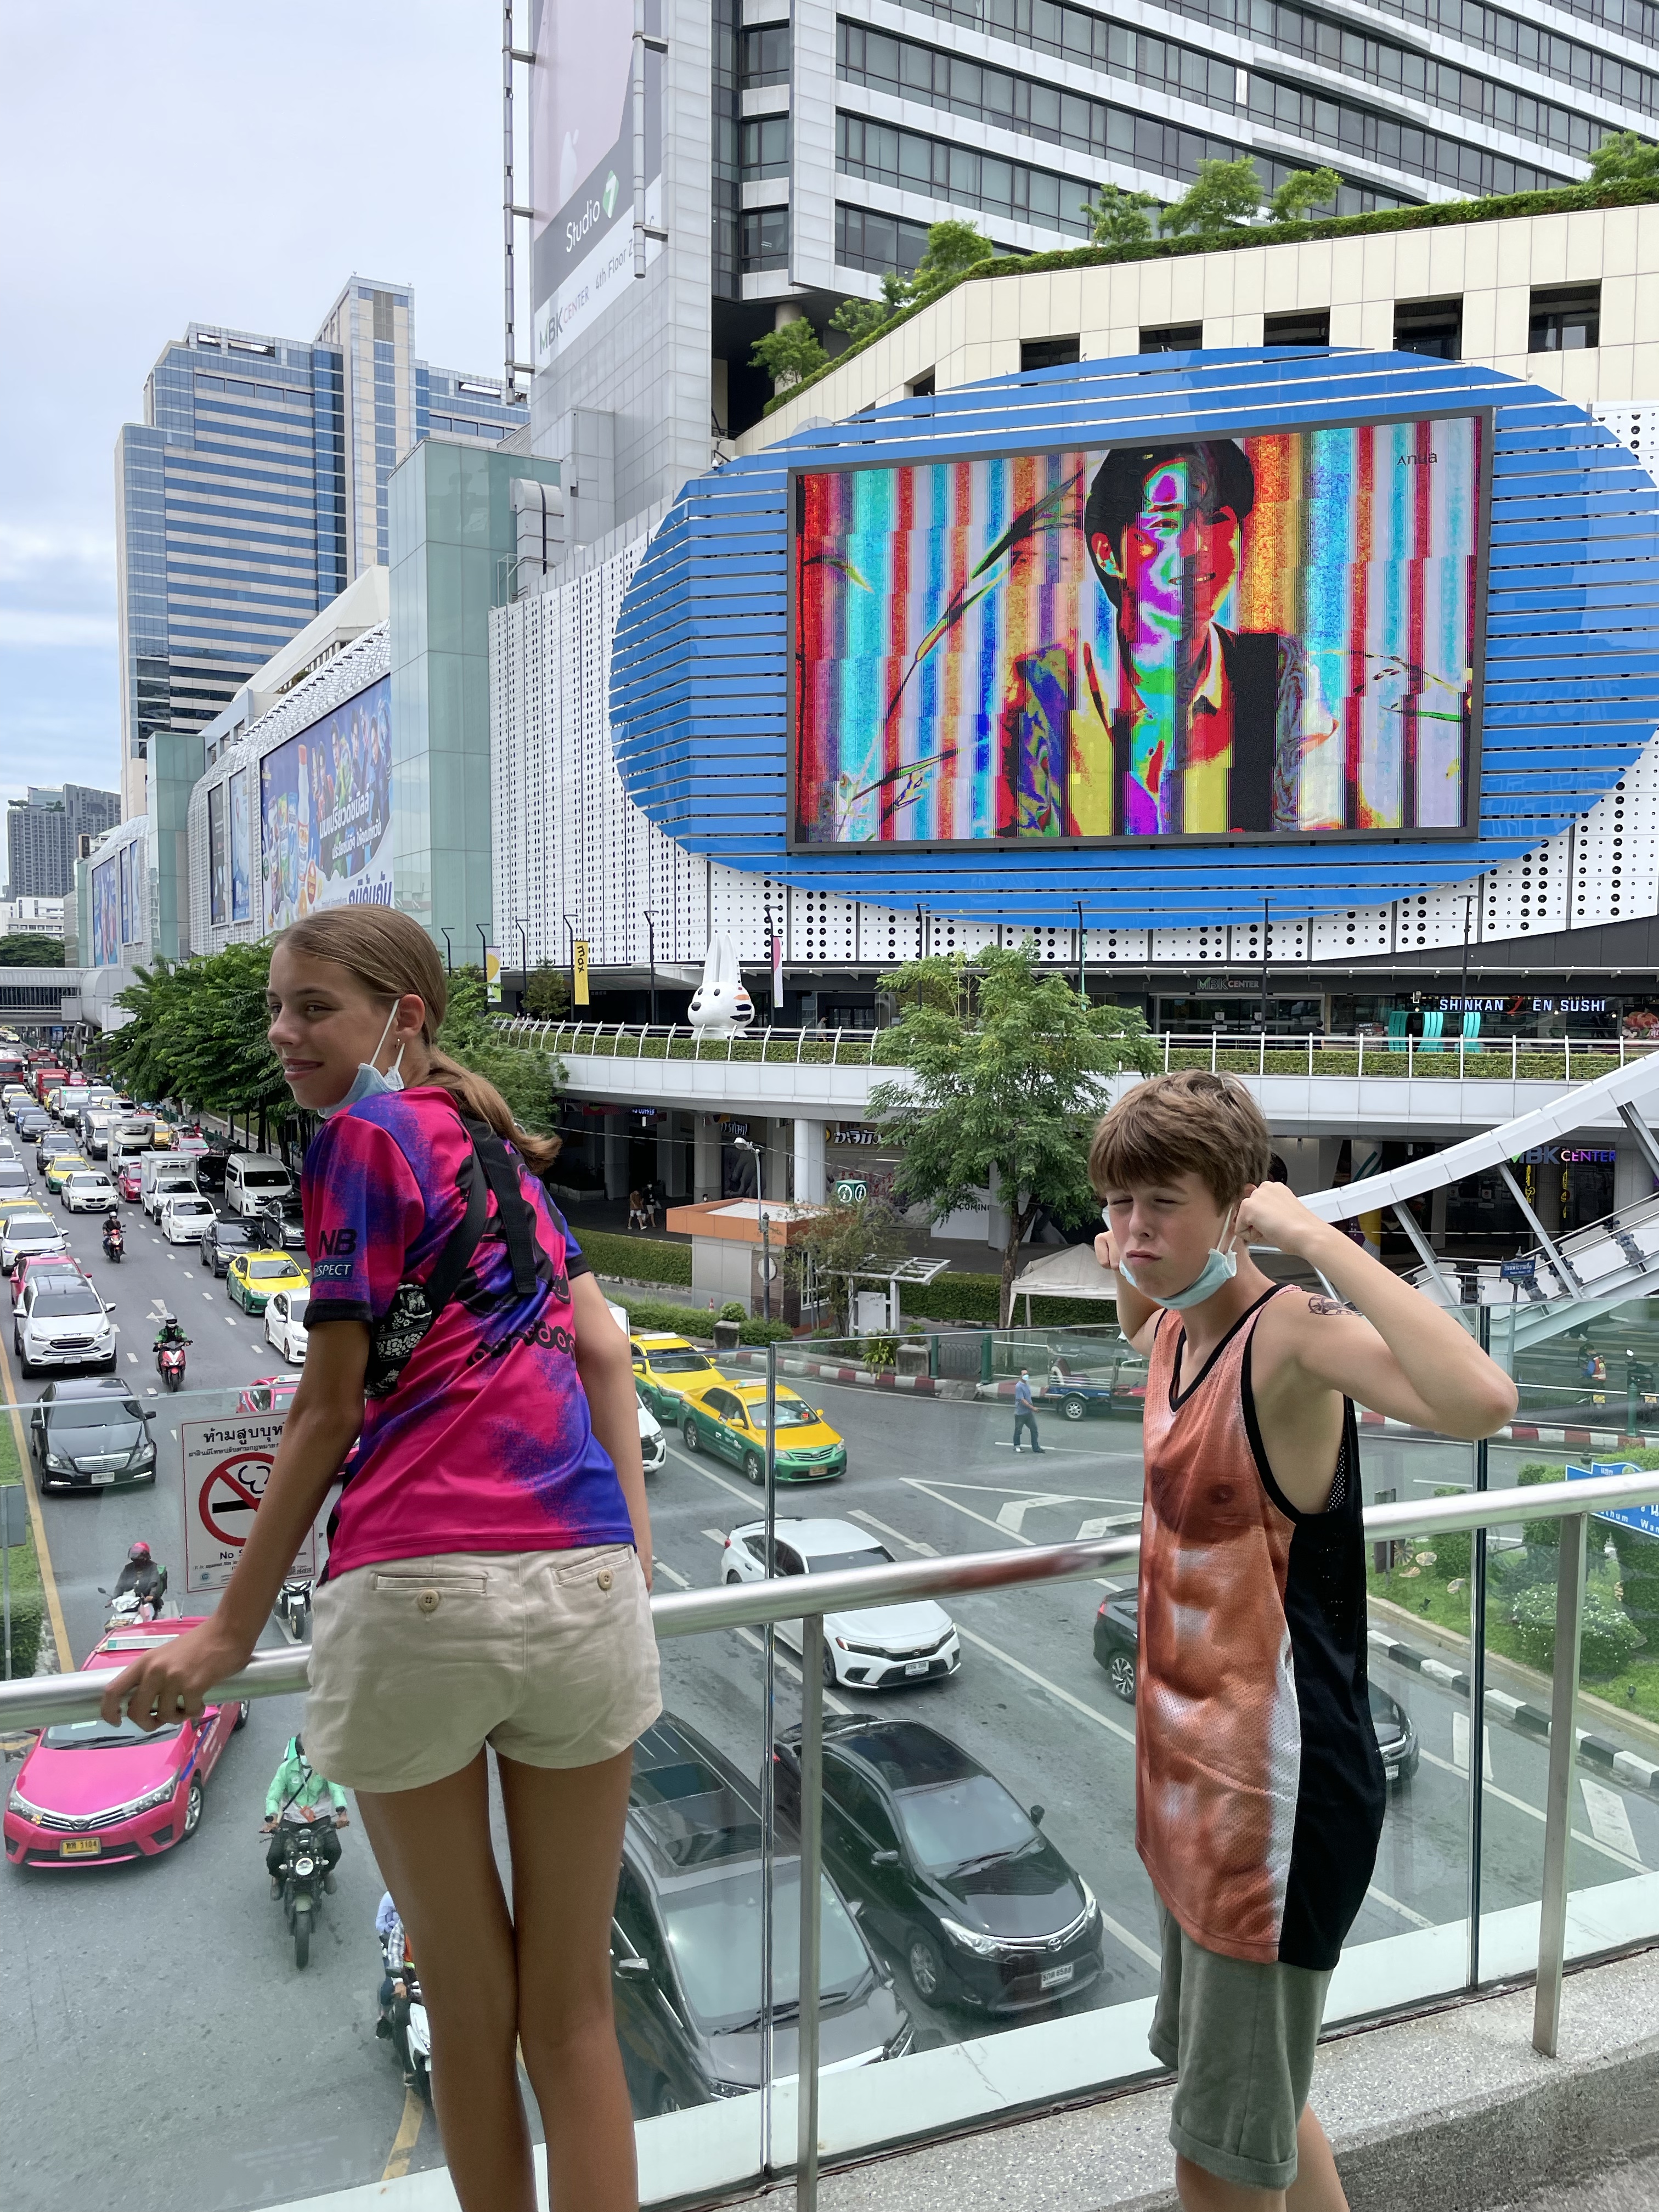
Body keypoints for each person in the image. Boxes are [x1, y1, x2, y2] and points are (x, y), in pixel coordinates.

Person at [102, 905, 658, 2212]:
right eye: (276, 1008)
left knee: (466, 2007)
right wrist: (629, 1556)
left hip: (416, 1593)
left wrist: (229, 1633)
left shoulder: (361, 1138)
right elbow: (605, 1349)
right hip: (585, 1587)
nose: (283, 1033)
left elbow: (328, 1407)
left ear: (402, 1017)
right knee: (575, 2010)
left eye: (315, 1007)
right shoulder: (501, 1157)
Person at [1091, 1070, 1514, 2212]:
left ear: (1235, 1209)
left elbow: (1482, 1399)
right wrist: (1138, 1246)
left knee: (1215, 2153)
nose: (1133, 1231)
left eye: (1162, 1204)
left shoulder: (1286, 1336)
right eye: (1118, 1203)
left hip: (1273, 1809)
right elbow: (1134, 1300)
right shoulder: (1171, 1326)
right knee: (1257, 2104)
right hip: (1192, 1794)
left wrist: (1314, 1238)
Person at [1059, 441, 1338, 839]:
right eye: (1166, 523)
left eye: (1216, 519)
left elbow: (1319, 835)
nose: (1196, 547)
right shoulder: (1047, 692)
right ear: (1108, 553)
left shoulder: (1280, 675)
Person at [263, 1731, 348, 1891]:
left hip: (319, 1817)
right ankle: (277, 1877)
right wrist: (271, 1819)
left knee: (334, 1850)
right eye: (303, 1753)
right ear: (298, 1753)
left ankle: (326, 1872)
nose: (306, 1756)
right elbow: (273, 1797)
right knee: (273, 1857)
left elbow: (336, 1790)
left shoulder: (326, 1768)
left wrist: (342, 1813)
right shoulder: (285, 1769)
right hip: (292, 1818)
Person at [114, 1540, 167, 1615]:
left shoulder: (153, 1567)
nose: (136, 1561)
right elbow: (120, 1585)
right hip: (130, 1604)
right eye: (134, 1558)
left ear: (146, 1557)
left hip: (148, 1603)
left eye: (139, 1557)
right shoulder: (128, 1568)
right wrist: (114, 1598)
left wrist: (152, 1595)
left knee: (149, 1617)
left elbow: (155, 1582)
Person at [1011, 1367, 1043, 1454]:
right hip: (1020, 1414)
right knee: (1018, 1431)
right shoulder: (1019, 1386)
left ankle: (1035, 1447)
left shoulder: (1027, 1385)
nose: (1026, 1376)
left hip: (1028, 1413)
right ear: (1020, 1376)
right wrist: (1033, 1408)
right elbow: (1022, 1400)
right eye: (1024, 1375)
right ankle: (1017, 1447)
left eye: (1027, 1374)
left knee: (1034, 1430)